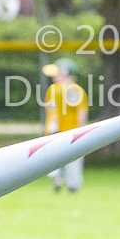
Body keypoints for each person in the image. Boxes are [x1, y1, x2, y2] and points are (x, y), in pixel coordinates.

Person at [41, 57, 88, 193]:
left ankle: (58, 180)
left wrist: (53, 128)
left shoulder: (54, 89)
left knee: (56, 161)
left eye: (58, 73)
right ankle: (72, 185)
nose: (55, 76)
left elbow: (52, 110)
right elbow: (82, 114)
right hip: (74, 133)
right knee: (73, 161)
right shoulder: (78, 90)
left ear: (65, 73)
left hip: (56, 132)